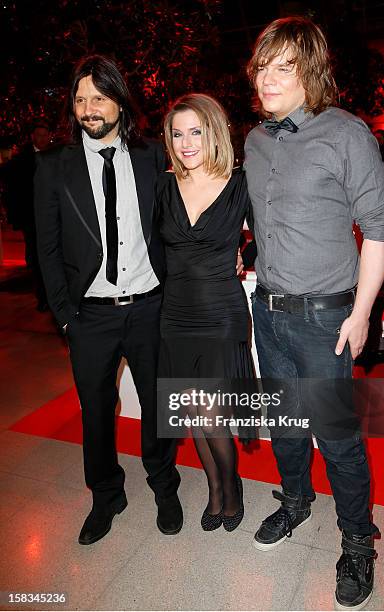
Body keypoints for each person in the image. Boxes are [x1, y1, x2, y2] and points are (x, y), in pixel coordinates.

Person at [244, 16, 384, 610]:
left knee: (336, 437)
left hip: (326, 320)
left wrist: (362, 314)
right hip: (270, 311)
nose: (267, 77)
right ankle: (296, 502)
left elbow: (382, 228)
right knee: (285, 425)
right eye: (262, 65)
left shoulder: (346, 134)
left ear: (310, 70)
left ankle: (358, 541)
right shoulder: (255, 141)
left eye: (283, 65)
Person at [34, 55, 182, 545]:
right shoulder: (55, 167)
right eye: (79, 99)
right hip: (90, 317)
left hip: (148, 308)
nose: (88, 108)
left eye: (98, 97)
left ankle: (164, 485)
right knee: (95, 410)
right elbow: (47, 248)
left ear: (119, 100)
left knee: (159, 404)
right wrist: (65, 317)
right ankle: (106, 494)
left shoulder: (152, 157)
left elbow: (176, 225)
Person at [156, 93, 253, 532]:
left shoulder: (240, 184)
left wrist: (240, 251)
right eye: (177, 133)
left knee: (212, 413)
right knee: (193, 410)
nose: (186, 141)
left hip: (220, 313)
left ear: (213, 131)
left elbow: (269, 233)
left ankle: (230, 488)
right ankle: (214, 488)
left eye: (195, 131)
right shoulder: (163, 184)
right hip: (175, 313)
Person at [3, 120, 51, 310]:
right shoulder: (22, 159)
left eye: (44, 135)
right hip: (32, 218)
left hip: (53, 217)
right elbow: (10, 182)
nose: (42, 139)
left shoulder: (58, 155)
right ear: (33, 137)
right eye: (38, 135)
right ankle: (43, 297)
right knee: (37, 258)